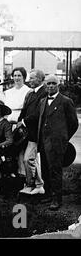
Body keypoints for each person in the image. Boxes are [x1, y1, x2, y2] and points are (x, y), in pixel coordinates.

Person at [37, 74, 78, 210]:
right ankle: (48, 194)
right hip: (43, 141)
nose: (50, 86)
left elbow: (73, 123)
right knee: (45, 169)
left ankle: (56, 199)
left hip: (57, 142)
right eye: (48, 84)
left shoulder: (66, 101)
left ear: (58, 85)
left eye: (53, 83)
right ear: (45, 86)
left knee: (55, 170)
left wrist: (63, 138)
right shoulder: (42, 101)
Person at [17, 69, 47, 195]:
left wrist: (23, 121)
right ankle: (35, 184)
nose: (30, 80)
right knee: (29, 159)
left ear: (40, 79)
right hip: (27, 131)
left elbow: (37, 114)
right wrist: (20, 122)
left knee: (28, 158)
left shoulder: (44, 92)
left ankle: (34, 185)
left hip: (36, 132)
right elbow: (24, 110)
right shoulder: (30, 93)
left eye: (33, 78)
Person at [4, 67, 31, 176]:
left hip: (21, 123)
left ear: (24, 77)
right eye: (15, 75)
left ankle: (23, 174)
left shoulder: (28, 91)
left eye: (19, 75)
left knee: (21, 150)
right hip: (9, 123)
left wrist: (22, 121)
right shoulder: (8, 92)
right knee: (9, 149)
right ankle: (10, 174)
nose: (17, 78)